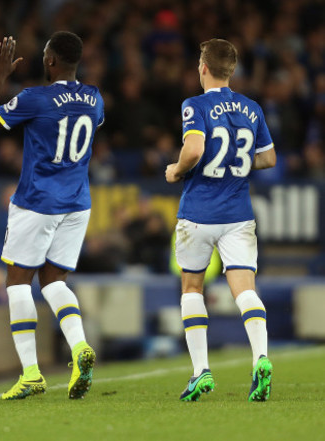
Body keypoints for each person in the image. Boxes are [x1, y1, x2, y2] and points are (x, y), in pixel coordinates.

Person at [0, 32, 104, 400]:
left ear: (50, 61)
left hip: (37, 201)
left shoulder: (35, 98)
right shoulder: (95, 98)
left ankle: (31, 372)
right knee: (53, 282)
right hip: (77, 201)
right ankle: (79, 348)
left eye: (45, 54)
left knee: (18, 282)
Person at [165, 39, 276, 402]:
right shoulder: (251, 108)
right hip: (238, 214)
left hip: (198, 212)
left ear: (204, 68)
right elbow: (268, 158)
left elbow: (194, 149)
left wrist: (177, 170)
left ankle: (200, 372)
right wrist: (237, 166)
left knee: (192, 289)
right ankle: (261, 357)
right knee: (245, 289)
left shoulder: (194, 105)